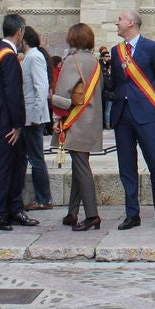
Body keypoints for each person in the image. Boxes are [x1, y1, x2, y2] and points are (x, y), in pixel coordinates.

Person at [108, 9, 155, 230]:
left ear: (131, 23)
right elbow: (117, 82)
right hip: (122, 115)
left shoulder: (152, 48)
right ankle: (132, 213)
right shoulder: (116, 52)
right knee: (126, 167)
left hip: (145, 115)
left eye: (120, 19)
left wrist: (153, 105)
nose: (117, 23)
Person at [0, 14, 36, 231]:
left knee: (13, 165)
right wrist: (18, 125)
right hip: (8, 122)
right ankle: (0, 213)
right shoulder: (9, 56)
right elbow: (13, 93)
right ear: (20, 31)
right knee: (7, 167)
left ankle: (13, 208)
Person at [51, 23, 104, 231]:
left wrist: (55, 112)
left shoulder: (71, 61)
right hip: (92, 121)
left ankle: (92, 215)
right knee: (78, 166)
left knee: (82, 169)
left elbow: (64, 94)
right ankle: (72, 212)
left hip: (76, 121)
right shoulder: (95, 61)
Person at [20, 26, 53, 211]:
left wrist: (35, 115)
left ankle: (44, 198)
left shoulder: (34, 57)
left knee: (36, 158)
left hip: (33, 116)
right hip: (30, 115)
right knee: (31, 156)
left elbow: (41, 87)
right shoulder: (30, 57)